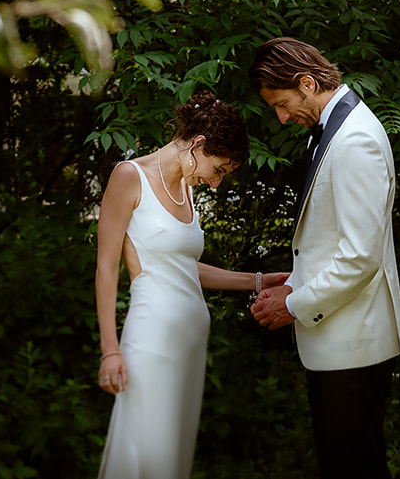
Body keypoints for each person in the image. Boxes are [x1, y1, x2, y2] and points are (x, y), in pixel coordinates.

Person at [94, 89, 284, 479]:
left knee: (172, 461)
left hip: (190, 346)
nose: (215, 183)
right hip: (152, 341)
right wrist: (109, 350)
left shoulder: (184, 188)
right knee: (147, 456)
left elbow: (185, 267)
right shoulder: (130, 177)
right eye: (219, 170)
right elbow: (106, 267)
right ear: (198, 144)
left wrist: (261, 279)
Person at [249, 38, 400, 479]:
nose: (282, 117)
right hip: (338, 340)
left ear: (306, 82)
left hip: (354, 344)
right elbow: (329, 242)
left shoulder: (355, 139)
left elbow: (360, 258)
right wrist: (293, 284)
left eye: (282, 104)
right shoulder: (333, 129)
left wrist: (292, 305)